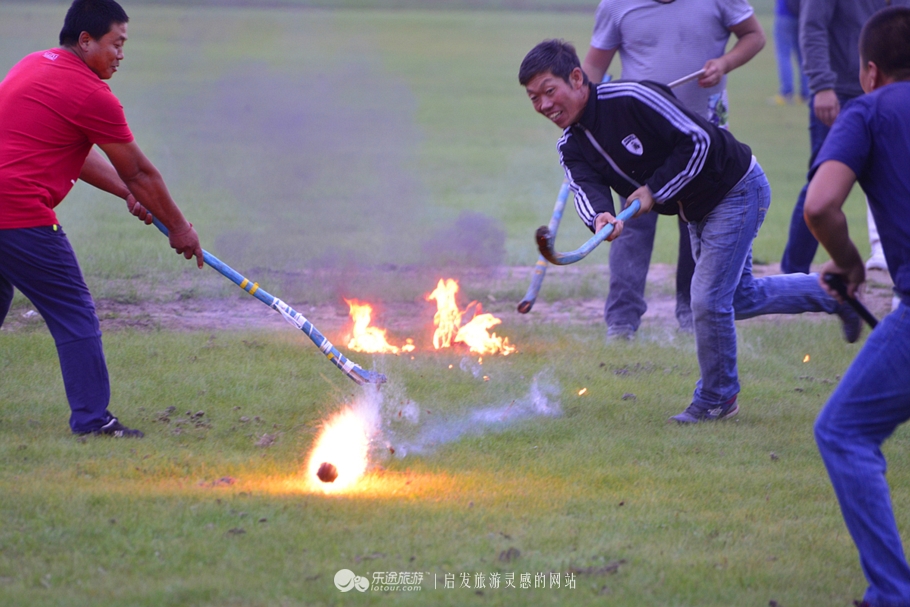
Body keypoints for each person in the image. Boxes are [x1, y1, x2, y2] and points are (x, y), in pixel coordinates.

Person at [519, 39, 860, 424]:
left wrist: (654, 190)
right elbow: (585, 187)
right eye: (534, 98)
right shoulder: (571, 146)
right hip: (697, 208)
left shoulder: (632, 97)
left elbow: (699, 141)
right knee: (740, 298)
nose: (544, 105)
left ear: (577, 78)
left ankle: (718, 398)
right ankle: (838, 294)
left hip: (735, 187)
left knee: (708, 300)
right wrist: (601, 218)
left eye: (550, 91)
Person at [0, 0, 203, 438]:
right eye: (117, 43)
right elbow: (140, 170)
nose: (121, 54)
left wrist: (127, 194)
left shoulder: (33, 65)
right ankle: (93, 422)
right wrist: (181, 229)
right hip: (17, 214)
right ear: (86, 40)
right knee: (75, 314)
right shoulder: (91, 94)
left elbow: (78, 151)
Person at [805, 8, 910, 606]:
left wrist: (847, 263)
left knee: (844, 432)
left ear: (868, 72)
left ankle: (892, 595)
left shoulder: (867, 110)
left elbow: (820, 205)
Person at [580, 0, 765, 339]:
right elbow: (593, 67)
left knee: (696, 222)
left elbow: (754, 35)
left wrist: (725, 63)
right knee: (630, 224)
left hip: (702, 136)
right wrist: (582, 121)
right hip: (636, 139)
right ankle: (622, 321)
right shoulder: (616, 5)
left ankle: (691, 312)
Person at [779, 0, 908, 276]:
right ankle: (794, 272)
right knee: (822, 183)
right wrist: (822, 85)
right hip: (842, 92)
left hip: (896, 91)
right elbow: (812, 27)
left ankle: (894, 266)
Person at [771, 0, 809, 105]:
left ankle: (787, 93)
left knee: (784, 55)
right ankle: (805, 93)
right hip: (803, 15)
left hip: (785, 14)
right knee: (803, 56)